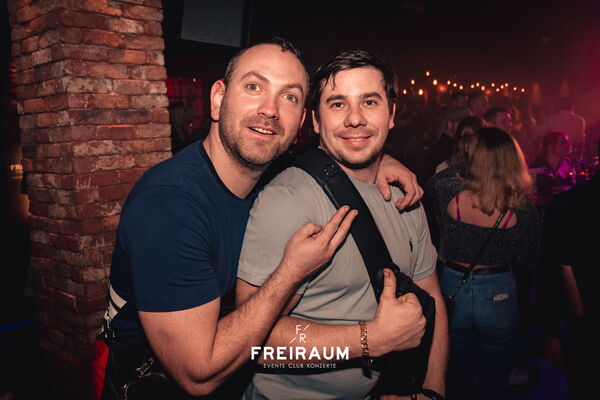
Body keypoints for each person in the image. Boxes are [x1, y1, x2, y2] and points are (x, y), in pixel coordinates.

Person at [100, 38, 424, 399]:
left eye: (289, 97)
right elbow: (198, 375)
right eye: (254, 87)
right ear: (218, 99)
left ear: (301, 121)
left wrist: (378, 160)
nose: (270, 110)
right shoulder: (170, 206)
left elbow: (345, 149)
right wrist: (297, 278)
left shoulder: (269, 173)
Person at [236, 50, 447, 400]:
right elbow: (254, 346)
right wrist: (369, 340)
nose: (355, 119)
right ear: (316, 121)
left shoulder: (406, 196)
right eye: (337, 104)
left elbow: (432, 296)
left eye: (369, 102)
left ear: (392, 114)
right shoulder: (288, 200)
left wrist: (433, 391)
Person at [426, 128, 540, 400]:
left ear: (473, 159)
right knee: (495, 375)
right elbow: (528, 258)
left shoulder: (449, 191)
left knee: (457, 372)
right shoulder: (521, 206)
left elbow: (432, 181)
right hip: (498, 291)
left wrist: (470, 160)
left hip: (453, 286)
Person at [540, 138, 599, 400]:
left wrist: (552, 332)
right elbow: (551, 273)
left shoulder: (566, 204)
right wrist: (552, 332)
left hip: (584, 335)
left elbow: (550, 274)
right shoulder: (566, 205)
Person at [530, 131, 574, 195]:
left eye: (567, 142)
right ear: (550, 147)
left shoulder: (569, 164)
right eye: (563, 142)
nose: (568, 145)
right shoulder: (537, 167)